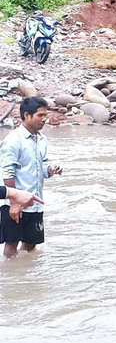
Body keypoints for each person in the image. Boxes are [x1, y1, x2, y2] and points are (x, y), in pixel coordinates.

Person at [0, 97, 62, 258]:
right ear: (26, 115)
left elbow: (41, 165)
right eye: (40, 115)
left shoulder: (41, 139)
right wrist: (14, 201)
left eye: (45, 115)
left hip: (35, 202)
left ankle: (23, 270)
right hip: (15, 203)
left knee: (32, 242)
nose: (44, 119)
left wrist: (50, 169)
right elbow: (7, 173)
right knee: (12, 242)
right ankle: (11, 271)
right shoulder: (13, 140)